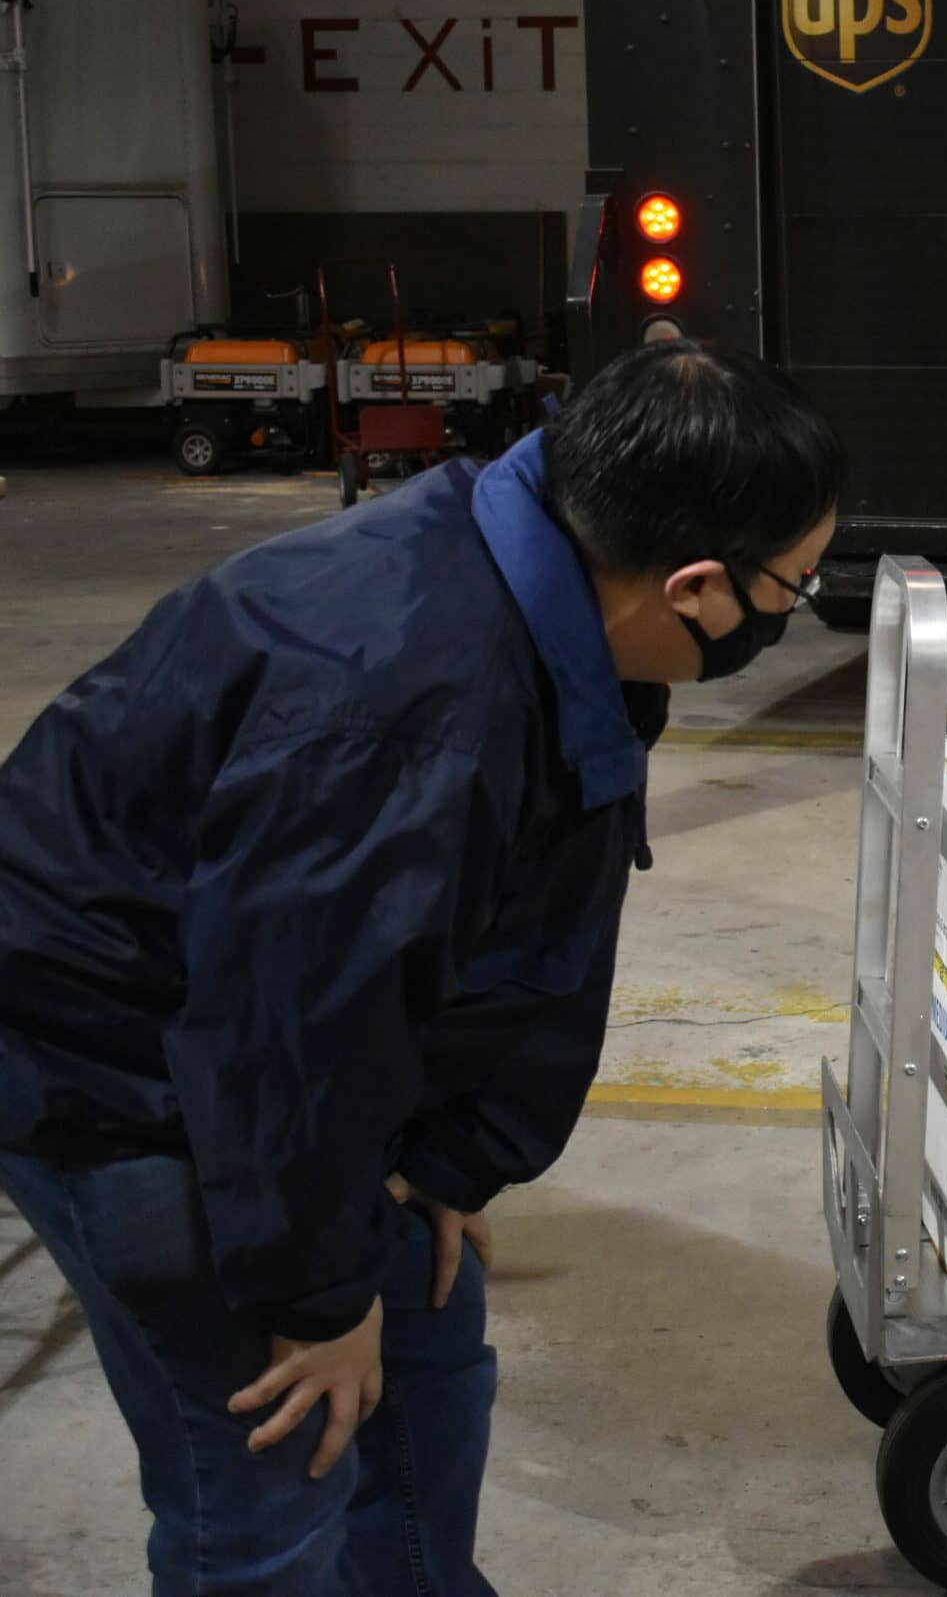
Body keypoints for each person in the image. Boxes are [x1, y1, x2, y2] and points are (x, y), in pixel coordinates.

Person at [0, 339, 841, 1595]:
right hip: (125, 1071)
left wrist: (449, 1151)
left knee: (430, 1352)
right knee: (274, 1474)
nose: (794, 615)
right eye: (796, 587)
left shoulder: (541, 572)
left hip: (272, 1054)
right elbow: (286, 1035)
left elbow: (485, 931)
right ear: (695, 587)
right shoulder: (406, 714)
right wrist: (320, 1294)